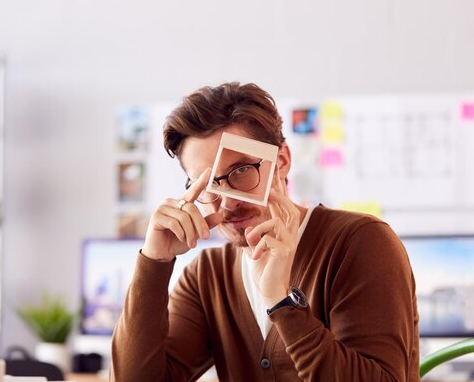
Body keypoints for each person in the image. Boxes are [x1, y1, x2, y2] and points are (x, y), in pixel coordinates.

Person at [110, 82, 419, 382]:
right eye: (209, 184)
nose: (228, 201)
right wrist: (154, 262)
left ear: (281, 161)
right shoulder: (207, 276)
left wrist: (282, 302)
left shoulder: (361, 242)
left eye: (242, 171)